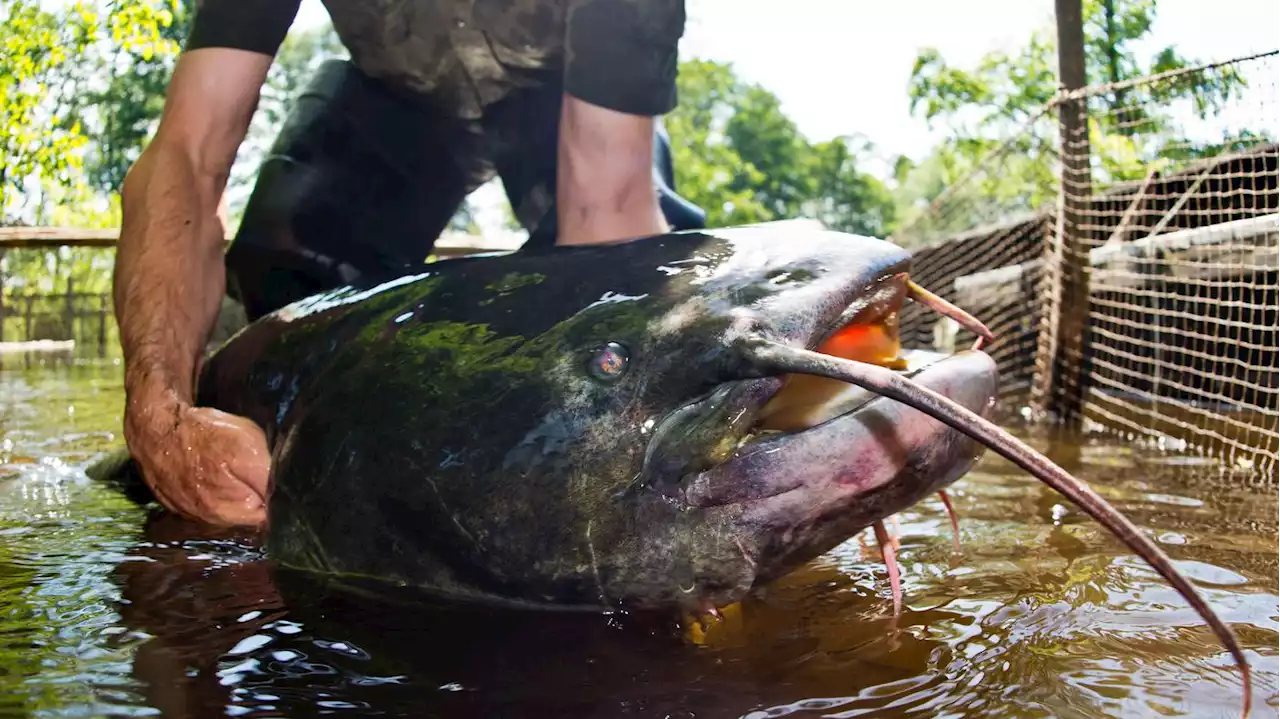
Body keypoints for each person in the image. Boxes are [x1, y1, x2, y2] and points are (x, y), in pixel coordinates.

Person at [111, 0, 707, 528]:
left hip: (558, 107)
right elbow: (187, 155)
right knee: (276, 287)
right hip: (388, 104)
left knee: (640, 303)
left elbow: (604, 207)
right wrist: (158, 412)